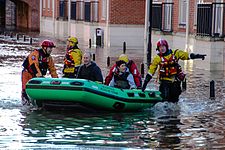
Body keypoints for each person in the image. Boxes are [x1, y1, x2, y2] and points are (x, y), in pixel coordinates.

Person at [142, 38, 206, 102]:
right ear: (158, 49)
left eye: (163, 46)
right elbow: (151, 71)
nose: (162, 48)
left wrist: (198, 56)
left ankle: (175, 111)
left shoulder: (175, 53)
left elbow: (186, 55)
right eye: (160, 47)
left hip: (175, 81)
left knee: (175, 100)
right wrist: (145, 83)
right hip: (164, 82)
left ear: (166, 47)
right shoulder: (157, 58)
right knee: (165, 99)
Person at [21, 39, 58, 105]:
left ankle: (38, 103)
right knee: (25, 90)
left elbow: (52, 70)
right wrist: (40, 76)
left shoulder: (49, 58)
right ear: (44, 48)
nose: (51, 50)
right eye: (50, 48)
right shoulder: (35, 54)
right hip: (27, 74)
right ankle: (25, 103)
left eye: (51, 48)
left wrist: (56, 80)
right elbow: (33, 65)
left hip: (38, 76)